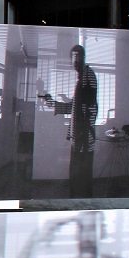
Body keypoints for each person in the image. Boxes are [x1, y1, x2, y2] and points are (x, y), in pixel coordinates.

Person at [46, 44, 98, 197]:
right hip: (80, 139)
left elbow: (91, 108)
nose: (75, 61)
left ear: (83, 58)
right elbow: (75, 107)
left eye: (78, 57)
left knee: (81, 179)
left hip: (83, 140)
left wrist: (83, 137)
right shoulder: (82, 78)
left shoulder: (88, 76)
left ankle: (81, 205)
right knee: (77, 178)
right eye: (73, 58)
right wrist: (54, 104)